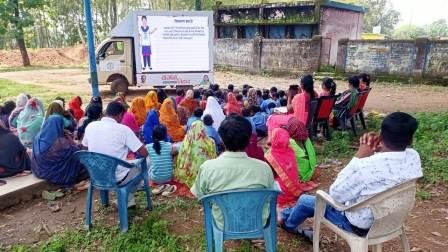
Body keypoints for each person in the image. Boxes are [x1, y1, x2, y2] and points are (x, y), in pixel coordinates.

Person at [280, 112, 422, 239]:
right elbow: (388, 164)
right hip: (389, 220)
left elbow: (335, 194)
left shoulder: (365, 167)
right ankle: (286, 214)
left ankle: (288, 224)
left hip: (358, 225)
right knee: (305, 204)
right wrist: (380, 151)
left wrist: (359, 156)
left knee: (306, 200)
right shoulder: (413, 157)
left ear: (381, 135)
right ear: (410, 140)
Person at [191, 116, 275, 229]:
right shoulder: (264, 168)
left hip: (223, 224)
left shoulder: (207, 168)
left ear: (221, 139)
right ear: (249, 138)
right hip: (257, 223)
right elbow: (270, 195)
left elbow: (200, 195)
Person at [82, 101, 149, 207]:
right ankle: (128, 196)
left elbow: (84, 148)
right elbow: (144, 153)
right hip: (118, 179)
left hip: (96, 176)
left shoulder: (90, 126)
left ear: (106, 112)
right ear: (120, 115)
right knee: (147, 162)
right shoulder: (123, 130)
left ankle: (113, 200)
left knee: (118, 161)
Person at [32, 116, 87, 187]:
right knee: (81, 162)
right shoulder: (59, 141)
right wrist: (69, 138)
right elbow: (75, 152)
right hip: (53, 172)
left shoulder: (38, 136)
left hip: (39, 169)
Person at [176, 121, 216, 187]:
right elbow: (213, 156)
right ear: (203, 129)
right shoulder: (210, 142)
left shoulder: (186, 141)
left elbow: (181, 155)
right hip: (207, 174)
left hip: (188, 173)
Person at [146, 125, 177, 190]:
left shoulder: (148, 146)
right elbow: (175, 152)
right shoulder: (169, 145)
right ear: (165, 135)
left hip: (155, 179)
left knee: (149, 163)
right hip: (168, 178)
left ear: (153, 135)